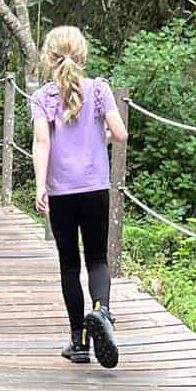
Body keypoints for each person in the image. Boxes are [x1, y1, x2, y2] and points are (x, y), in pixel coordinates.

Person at [31, 26, 129, 368]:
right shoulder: (99, 90)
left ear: (49, 58)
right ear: (83, 56)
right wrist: (98, 133)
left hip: (61, 191)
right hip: (95, 188)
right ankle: (102, 313)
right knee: (98, 259)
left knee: (70, 265)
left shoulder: (43, 97)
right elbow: (120, 134)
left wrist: (40, 185)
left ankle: (79, 341)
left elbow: (42, 143)